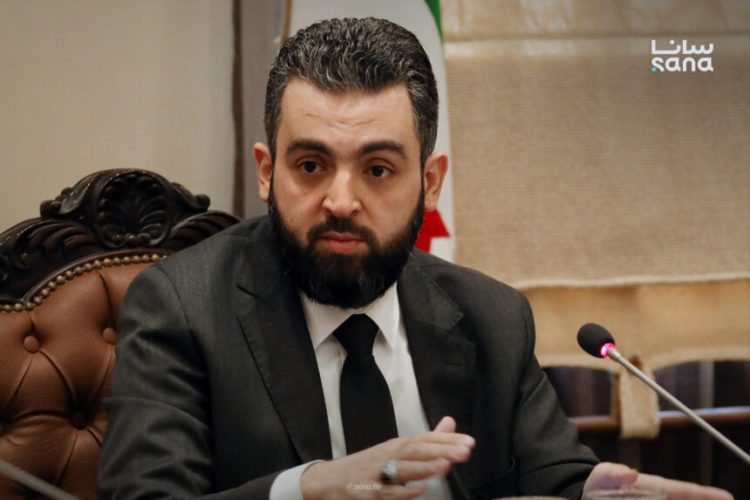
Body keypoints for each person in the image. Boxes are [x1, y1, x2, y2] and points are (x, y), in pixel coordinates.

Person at [98, 17, 732, 499]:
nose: (340, 200)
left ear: (430, 183)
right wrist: (309, 488)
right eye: (311, 165)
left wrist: (593, 491)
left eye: (377, 169)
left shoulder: (492, 315)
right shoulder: (182, 309)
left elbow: (552, 475)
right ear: (267, 172)